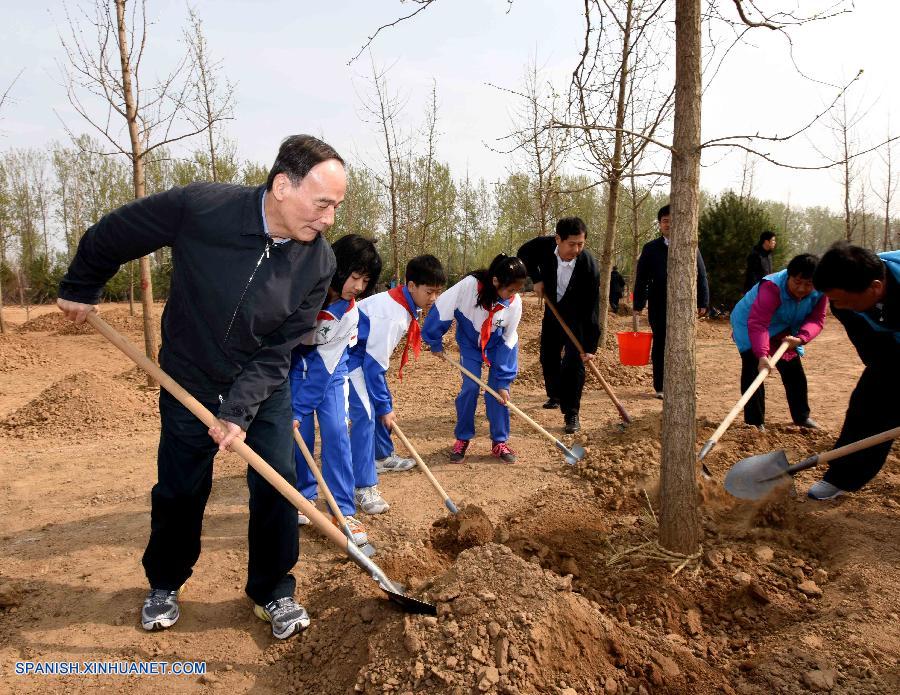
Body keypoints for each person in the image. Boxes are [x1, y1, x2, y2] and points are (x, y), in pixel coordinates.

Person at [55, 135, 345, 640]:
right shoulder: (202, 208)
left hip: (260, 384)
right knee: (180, 487)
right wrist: (82, 285)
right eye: (322, 204)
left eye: (337, 207)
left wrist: (238, 410)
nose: (329, 219)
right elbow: (117, 232)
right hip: (187, 376)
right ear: (282, 186)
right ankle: (165, 582)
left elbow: (280, 348)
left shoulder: (318, 262)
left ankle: (273, 589)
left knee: (277, 481)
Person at [290, 235, 382, 548]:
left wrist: (299, 410)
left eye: (365, 280)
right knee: (298, 438)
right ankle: (302, 500)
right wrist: (293, 410)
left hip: (329, 374)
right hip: (292, 369)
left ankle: (342, 510)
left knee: (336, 432)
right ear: (336, 267)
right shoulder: (302, 291)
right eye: (355, 276)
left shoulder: (349, 313)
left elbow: (324, 369)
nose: (358, 286)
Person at [347, 255, 446, 514]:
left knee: (382, 402)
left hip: (364, 358)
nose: (434, 298)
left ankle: (381, 456)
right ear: (411, 285)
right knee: (368, 414)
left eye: (438, 292)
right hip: (349, 360)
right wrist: (383, 406)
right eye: (430, 291)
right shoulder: (391, 315)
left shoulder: (401, 304)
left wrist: (384, 402)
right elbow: (372, 366)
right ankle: (363, 486)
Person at [806, 242, 899, 501]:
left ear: (875, 288)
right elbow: (876, 355)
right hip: (892, 347)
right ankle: (842, 477)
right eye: (834, 300)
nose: (838, 307)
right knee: (867, 403)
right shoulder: (843, 304)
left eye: (844, 300)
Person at [422, 254, 528, 463]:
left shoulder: (514, 303)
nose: (512, 295)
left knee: (499, 393)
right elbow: (443, 306)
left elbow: (509, 339)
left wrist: (504, 380)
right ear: (496, 281)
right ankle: (462, 438)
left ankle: (499, 442)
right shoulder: (469, 286)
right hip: (470, 344)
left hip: (498, 347)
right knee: (470, 387)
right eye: (510, 289)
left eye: (517, 290)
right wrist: (434, 340)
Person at [517, 217, 600, 434]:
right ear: (558, 239)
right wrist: (536, 279)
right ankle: (555, 395)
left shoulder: (589, 266)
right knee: (548, 356)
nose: (576, 249)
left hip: (577, 318)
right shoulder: (543, 246)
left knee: (573, 363)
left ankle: (571, 412)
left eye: (581, 244)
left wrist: (590, 345)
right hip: (553, 311)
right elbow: (523, 253)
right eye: (572, 244)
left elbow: (592, 307)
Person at [729, 253, 826, 431]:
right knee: (754, 369)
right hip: (750, 323)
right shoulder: (772, 287)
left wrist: (801, 338)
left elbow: (817, 319)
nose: (802, 289)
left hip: (784, 328)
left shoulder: (821, 291)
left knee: (794, 371)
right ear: (789, 276)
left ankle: (801, 417)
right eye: (797, 282)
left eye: (808, 284)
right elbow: (758, 323)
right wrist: (762, 354)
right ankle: (755, 423)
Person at [632, 204, 710, 399]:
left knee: (684, 345)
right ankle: (660, 386)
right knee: (661, 344)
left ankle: (684, 385)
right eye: (665, 221)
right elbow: (641, 278)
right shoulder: (650, 248)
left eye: (673, 221)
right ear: (660, 224)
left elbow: (701, 274)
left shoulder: (690, 246)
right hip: (659, 304)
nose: (669, 224)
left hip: (684, 305)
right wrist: (638, 304)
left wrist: (703, 301)